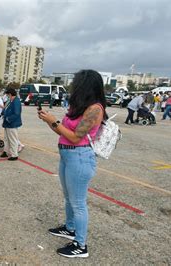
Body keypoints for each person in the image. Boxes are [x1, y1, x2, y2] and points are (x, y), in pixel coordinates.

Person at [38, 69, 107, 258]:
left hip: (80, 157)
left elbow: (76, 137)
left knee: (78, 202)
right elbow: (63, 132)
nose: (73, 86)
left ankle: (81, 244)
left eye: (76, 83)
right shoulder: (79, 106)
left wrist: (54, 122)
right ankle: (70, 228)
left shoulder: (95, 109)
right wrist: (49, 121)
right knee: (68, 197)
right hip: (67, 156)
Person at [0, 88, 22, 161]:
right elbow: (6, 109)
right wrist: (3, 112)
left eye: (7, 95)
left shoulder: (16, 101)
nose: (7, 96)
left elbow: (16, 113)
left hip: (12, 123)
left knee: (13, 140)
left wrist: (8, 118)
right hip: (7, 124)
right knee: (6, 139)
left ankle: (14, 155)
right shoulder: (10, 101)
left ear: (10, 94)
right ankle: (6, 151)